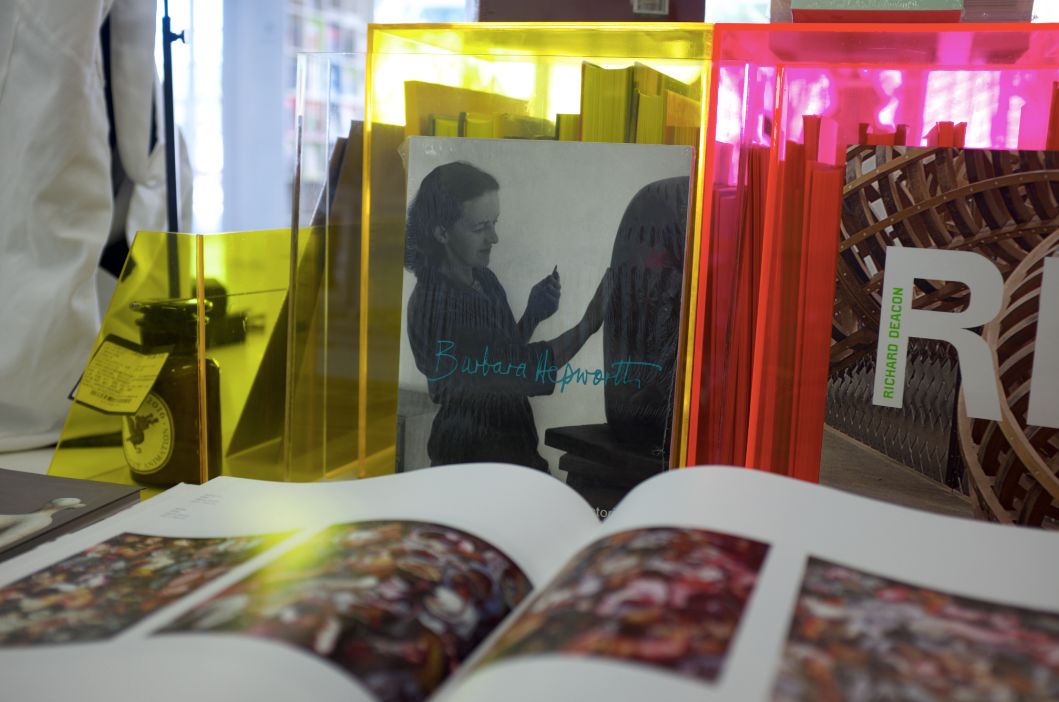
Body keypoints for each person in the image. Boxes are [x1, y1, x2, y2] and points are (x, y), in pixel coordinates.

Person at [405, 161, 608, 471]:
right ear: (442, 232)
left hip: (515, 451)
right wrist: (590, 323)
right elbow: (517, 369)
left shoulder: (484, 280)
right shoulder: (435, 306)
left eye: (494, 223)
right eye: (480, 227)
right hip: (470, 462)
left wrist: (532, 315)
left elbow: (498, 356)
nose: (494, 237)